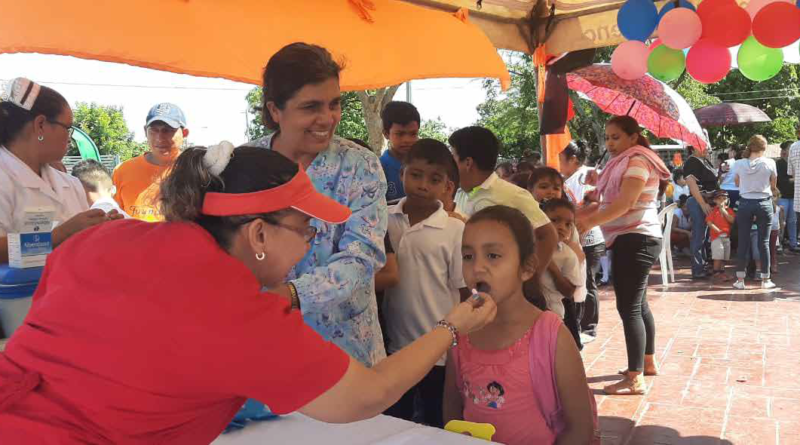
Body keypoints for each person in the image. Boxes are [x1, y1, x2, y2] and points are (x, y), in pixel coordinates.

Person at [0, 143, 498, 443]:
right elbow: (367, 395)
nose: (309, 245)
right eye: (305, 229)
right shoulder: (234, 307)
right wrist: (455, 326)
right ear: (258, 235)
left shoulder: (103, 236)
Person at [251, 43, 388, 367]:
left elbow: (363, 257)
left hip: (347, 352)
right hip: (265, 347)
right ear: (275, 110)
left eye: (334, 104)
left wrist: (293, 295)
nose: (327, 118)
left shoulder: (361, 166)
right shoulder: (246, 166)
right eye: (311, 107)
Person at [443, 205, 594, 445]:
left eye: (493, 255)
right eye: (468, 256)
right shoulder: (461, 331)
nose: (477, 267)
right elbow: (452, 408)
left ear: (527, 268)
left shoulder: (550, 336)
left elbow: (581, 427)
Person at [576, 116, 670, 395]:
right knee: (639, 305)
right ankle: (647, 362)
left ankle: (634, 377)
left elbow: (626, 202)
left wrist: (587, 223)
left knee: (628, 307)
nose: (610, 143)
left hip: (636, 238)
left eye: (616, 137)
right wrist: (600, 181)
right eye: (607, 138)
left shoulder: (638, 161)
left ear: (633, 137)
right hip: (635, 237)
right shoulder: (627, 160)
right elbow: (613, 198)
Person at [382, 139, 469, 427]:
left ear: (448, 187)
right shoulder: (383, 219)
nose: (422, 185)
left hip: (440, 349)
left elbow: (463, 289)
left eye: (434, 179)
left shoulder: (455, 229)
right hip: (395, 347)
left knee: (436, 420)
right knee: (395, 420)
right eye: (415, 175)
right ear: (401, 174)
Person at [0, 77, 115, 264]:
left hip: (67, 289)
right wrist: (58, 235)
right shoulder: (4, 178)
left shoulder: (70, 184)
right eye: (67, 128)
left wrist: (103, 227)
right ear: (41, 125)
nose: (69, 138)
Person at [449, 126, 558, 272]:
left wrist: (532, 278)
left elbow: (547, 235)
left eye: (453, 157)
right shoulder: (457, 193)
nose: (449, 165)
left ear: (468, 163)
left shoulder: (512, 195)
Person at [112, 103, 189, 221]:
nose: (160, 138)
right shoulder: (122, 171)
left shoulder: (194, 171)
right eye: (154, 130)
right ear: (145, 131)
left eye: (167, 130)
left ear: (184, 133)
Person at [560, 141, 605, 341]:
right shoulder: (569, 179)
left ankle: (589, 326)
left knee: (588, 281)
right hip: (575, 238)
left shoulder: (585, 177)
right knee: (578, 280)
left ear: (573, 160)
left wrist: (576, 214)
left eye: (561, 160)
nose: (559, 164)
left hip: (589, 238)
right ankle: (578, 324)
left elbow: (596, 205)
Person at [733, 135, 777, 290]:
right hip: (764, 202)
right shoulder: (770, 162)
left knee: (743, 241)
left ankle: (740, 280)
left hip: (745, 202)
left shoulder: (739, 164)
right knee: (763, 242)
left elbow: (737, 183)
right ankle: (765, 279)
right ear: (764, 148)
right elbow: (773, 184)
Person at [540, 199, 585, 350]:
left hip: (553, 313)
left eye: (568, 224)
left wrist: (551, 267)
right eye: (554, 220)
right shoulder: (528, 248)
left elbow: (569, 291)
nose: (561, 227)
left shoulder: (567, 256)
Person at [681, 145, 719, 279]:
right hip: (699, 202)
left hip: (707, 202)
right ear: (693, 148)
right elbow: (692, 184)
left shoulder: (704, 160)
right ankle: (697, 269)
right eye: (702, 146)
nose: (706, 149)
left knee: (704, 236)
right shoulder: (691, 162)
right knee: (698, 236)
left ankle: (702, 265)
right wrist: (703, 204)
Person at [380, 101, 420, 203]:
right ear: (386, 134)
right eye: (400, 134)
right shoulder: (378, 168)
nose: (407, 140)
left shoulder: (425, 165)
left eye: (413, 133)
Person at [705, 190, 734, 282]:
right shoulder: (713, 211)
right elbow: (709, 222)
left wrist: (724, 210)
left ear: (727, 200)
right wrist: (717, 230)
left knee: (725, 255)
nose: (722, 201)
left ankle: (722, 271)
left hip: (726, 237)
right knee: (718, 254)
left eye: (724, 199)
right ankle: (716, 272)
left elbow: (732, 220)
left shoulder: (729, 210)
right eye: (719, 199)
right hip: (716, 237)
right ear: (715, 200)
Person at [776, 142, 797, 252]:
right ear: (784, 151)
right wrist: (795, 178)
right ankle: (778, 243)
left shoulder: (794, 163)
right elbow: (781, 181)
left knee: (792, 221)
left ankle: (793, 243)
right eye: (790, 148)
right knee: (781, 221)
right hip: (782, 196)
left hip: (793, 196)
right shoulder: (779, 164)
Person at [719, 146, 742, 210]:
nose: (728, 153)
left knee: (724, 213)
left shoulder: (726, 162)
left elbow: (721, 178)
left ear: (733, 152)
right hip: (738, 191)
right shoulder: (743, 163)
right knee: (735, 212)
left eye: (729, 151)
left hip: (725, 191)